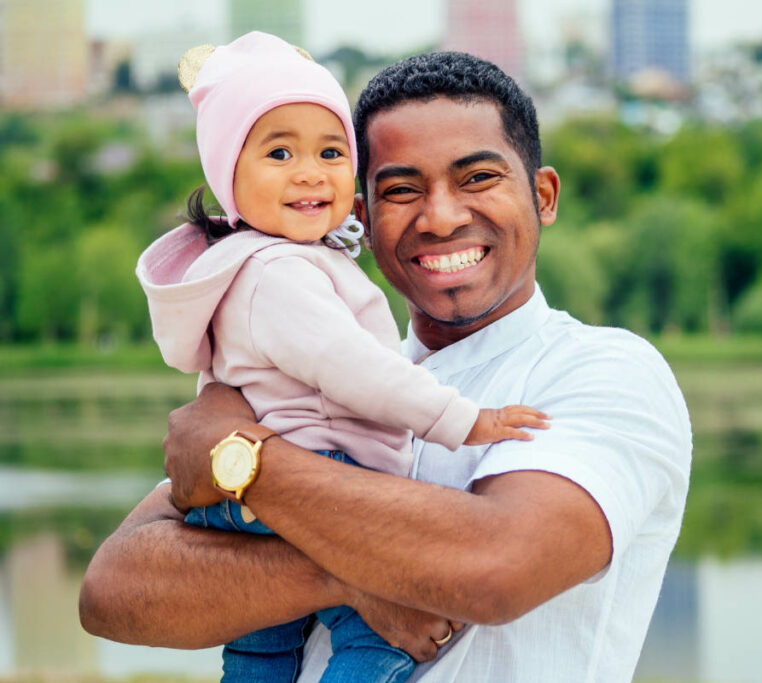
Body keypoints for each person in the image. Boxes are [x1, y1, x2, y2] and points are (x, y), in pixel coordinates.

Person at [80, 50, 692, 683]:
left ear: (543, 196)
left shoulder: (602, 371)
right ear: (361, 219)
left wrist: (242, 462)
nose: (442, 216)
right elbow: (113, 591)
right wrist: (343, 578)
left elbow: (497, 568)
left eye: (477, 178)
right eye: (401, 190)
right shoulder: (315, 376)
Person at [135, 32, 547, 683]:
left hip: (252, 490)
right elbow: (350, 366)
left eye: (330, 152)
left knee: (260, 650)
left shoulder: (257, 267)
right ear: (228, 177)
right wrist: (463, 419)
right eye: (278, 152)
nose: (308, 170)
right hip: (320, 464)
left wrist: (230, 452)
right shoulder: (279, 274)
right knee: (383, 632)